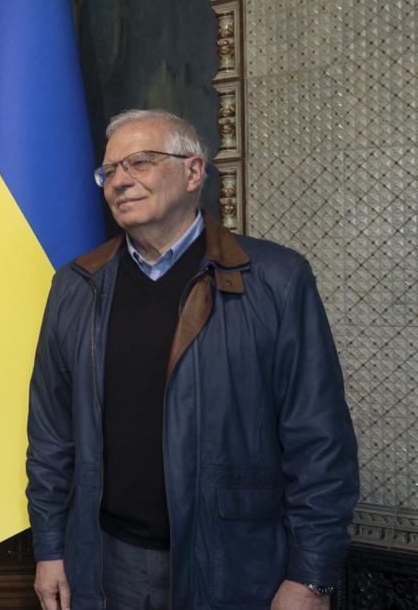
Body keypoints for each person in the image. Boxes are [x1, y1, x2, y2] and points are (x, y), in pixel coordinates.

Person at [26, 109, 359, 610]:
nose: (120, 181)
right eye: (109, 171)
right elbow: (50, 435)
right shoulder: (76, 286)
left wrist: (311, 576)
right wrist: (49, 548)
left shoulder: (277, 280)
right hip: (103, 562)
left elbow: (320, 442)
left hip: (235, 565)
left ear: (194, 171)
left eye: (139, 162)